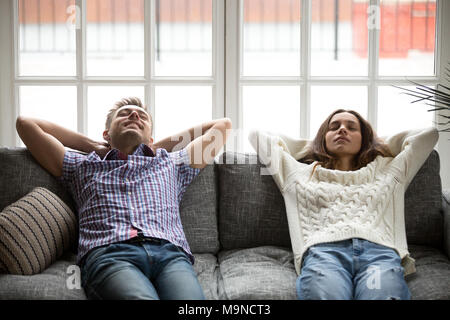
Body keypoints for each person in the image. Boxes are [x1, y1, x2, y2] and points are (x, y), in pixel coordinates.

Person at [16, 96, 232, 300]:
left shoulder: (171, 164)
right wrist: (91, 146)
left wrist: (154, 147)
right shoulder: (81, 165)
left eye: (141, 116)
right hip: (110, 254)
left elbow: (223, 126)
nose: (134, 116)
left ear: (151, 137)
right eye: (124, 114)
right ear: (106, 134)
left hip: (170, 255)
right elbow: (26, 124)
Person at [249, 109, 438, 300]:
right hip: (324, 255)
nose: (342, 130)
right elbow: (257, 136)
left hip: (378, 256)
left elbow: (429, 135)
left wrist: (374, 144)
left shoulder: (389, 170)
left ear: (364, 138)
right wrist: (314, 145)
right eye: (334, 127)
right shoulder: (297, 173)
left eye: (351, 127)